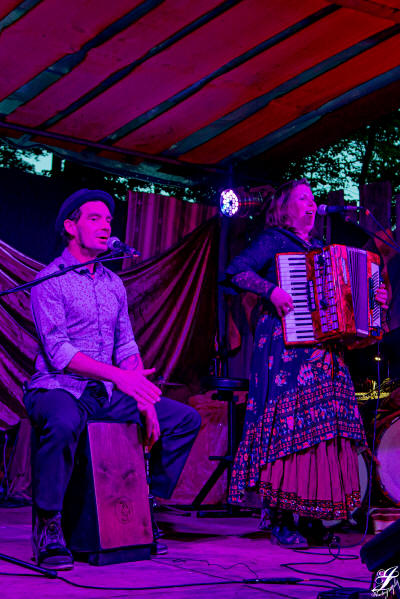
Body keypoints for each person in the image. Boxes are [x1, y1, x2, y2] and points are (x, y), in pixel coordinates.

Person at [23, 189, 201, 569]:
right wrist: (121, 378)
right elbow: (60, 354)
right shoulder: (48, 280)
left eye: (108, 220)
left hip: (107, 390)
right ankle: (49, 526)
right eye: (95, 218)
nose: (106, 226)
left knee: (183, 419)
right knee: (61, 421)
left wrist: (144, 400)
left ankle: (142, 504)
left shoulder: (112, 283)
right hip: (58, 387)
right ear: (71, 227)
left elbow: (126, 345)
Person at [225, 179, 388, 547]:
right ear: (284, 207)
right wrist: (271, 289)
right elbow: (235, 271)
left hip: (324, 352)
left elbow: (349, 303)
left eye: (314, 200)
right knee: (290, 429)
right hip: (285, 348)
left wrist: (375, 297)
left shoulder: (321, 250)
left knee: (327, 429)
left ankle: (313, 514)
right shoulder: (273, 240)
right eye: (303, 199)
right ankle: (281, 516)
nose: (312, 206)